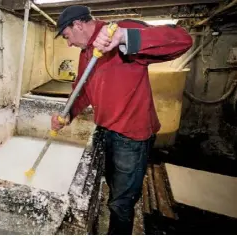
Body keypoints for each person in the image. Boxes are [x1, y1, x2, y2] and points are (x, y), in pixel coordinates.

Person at [51, 5, 193, 235]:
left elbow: (182, 40)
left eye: (67, 37)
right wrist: (67, 114)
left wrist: (125, 37)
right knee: (110, 183)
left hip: (131, 136)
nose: (68, 43)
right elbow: (83, 89)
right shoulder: (86, 51)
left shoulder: (119, 31)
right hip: (105, 130)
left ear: (77, 25)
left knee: (121, 204)